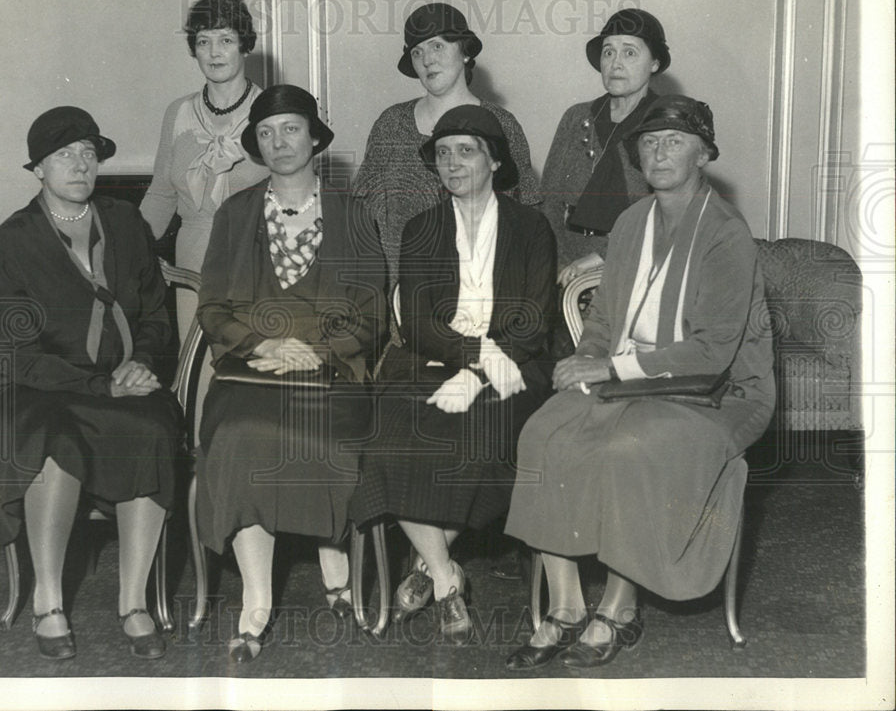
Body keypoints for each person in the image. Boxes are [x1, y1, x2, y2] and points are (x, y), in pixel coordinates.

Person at [504, 95, 775, 670]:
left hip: (716, 390)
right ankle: (569, 606)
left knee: (629, 449)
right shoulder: (630, 223)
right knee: (542, 433)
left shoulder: (726, 232)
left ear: (704, 153)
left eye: (674, 141)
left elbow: (712, 349)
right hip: (629, 378)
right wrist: (586, 360)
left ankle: (619, 609)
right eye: (648, 143)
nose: (659, 152)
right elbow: (603, 322)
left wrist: (610, 368)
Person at [0, 107, 182, 661]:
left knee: (153, 431)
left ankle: (133, 601)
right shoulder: (13, 240)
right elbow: (17, 355)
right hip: (46, 389)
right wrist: (99, 386)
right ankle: (49, 600)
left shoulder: (125, 222)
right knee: (58, 439)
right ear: (38, 168)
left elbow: (158, 314)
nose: (80, 163)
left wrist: (141, 362)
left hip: (128, 382)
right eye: (64, 154)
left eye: (89, 152)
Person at [350, 105, 558, 644]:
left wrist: (488, 369)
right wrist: (472, 356)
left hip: (514, 363)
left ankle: (425, 563)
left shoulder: (531, 227)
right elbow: (416, 320)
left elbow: (534, 315)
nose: (452, 162)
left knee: (485, 432)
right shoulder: (423, 227)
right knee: (393, 438)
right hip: (427, 361)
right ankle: (446, 579)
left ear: (494, 160)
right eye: (442, 154)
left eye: (466, 151)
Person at [195, 85, 386, 664]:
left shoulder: (353, 213)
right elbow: (211, 309)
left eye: (292, 129)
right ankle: (257, 598)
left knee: (327, 438)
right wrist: (266, 341)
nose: (279, 142)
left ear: (314, 136)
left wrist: (317, 350)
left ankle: (335, 558)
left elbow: (374, 309)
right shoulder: (234, 213)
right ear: (255, 143)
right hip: (251, 372)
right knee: (238, 438)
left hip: (330, 370)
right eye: (266, 132)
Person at [352, 2, 539, 292]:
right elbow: (362, 215)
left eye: (437, 46)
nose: (427, 60)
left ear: (464, 52)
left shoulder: (501, 124)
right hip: (397, 298)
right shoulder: (390, 124)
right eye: (417, 52)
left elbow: (528, 222)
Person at [139, 0, 269, 342]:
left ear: (245, 46)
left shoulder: (271, 111)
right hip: (191, 259)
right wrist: (130, 252)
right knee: (196, 370)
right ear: (193, 49)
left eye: (226, 39)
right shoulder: (178, 112)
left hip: (256, 258)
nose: (214, 52)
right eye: (203, 41)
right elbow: (161, 195)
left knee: (249, 370)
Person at [540, 8, 671, 287]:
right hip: (566, 265)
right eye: (608, 52)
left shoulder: (667, 125)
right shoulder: (577, 117)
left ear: (655, 63)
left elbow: (669, 213)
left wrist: (600, 258)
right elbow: (550, 201)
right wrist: (559, 263)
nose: (615, 63)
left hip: (636, 267)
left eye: (630, 52)